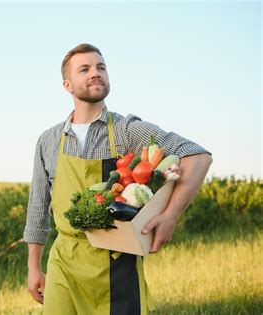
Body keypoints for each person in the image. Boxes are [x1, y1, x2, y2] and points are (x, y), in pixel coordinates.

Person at [23, 43, 213, 315]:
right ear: (67, 85)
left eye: (101, 67)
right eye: (85, 69)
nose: (95, 73)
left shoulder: (127, 131)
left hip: (116, 265)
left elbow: (197, 156)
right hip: (64, 264)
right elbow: (38, 205)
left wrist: (171, 215)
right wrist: (33, 267)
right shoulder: (49, 141)